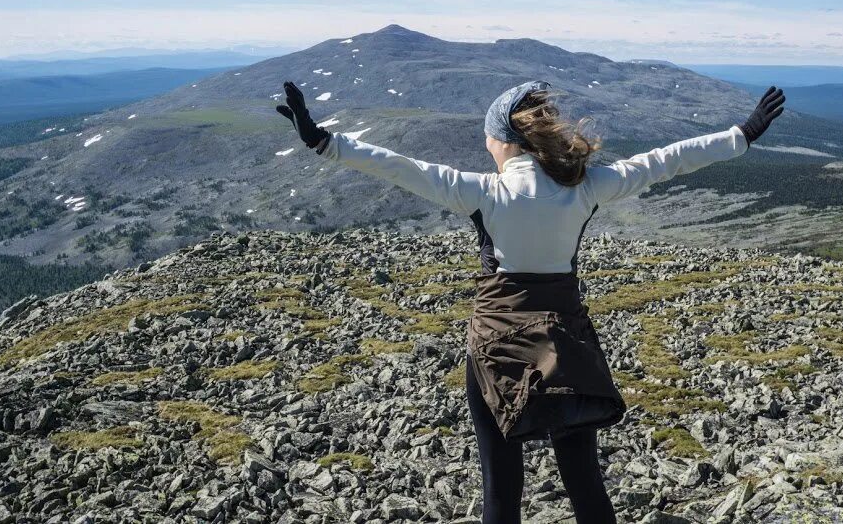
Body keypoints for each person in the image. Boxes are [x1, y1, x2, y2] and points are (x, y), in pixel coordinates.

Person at [277, 79, 785, 524]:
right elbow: (664, 162)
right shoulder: (584, 188)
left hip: (495, 348)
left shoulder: (480, 192)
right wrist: (741, 134)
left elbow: (396, 167)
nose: (485, 144)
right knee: (584, 481)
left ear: (503, 140)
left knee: (501, 486)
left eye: (487, 136)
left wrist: (322, 141)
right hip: (565, 345)